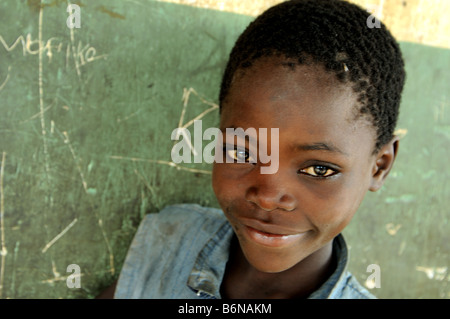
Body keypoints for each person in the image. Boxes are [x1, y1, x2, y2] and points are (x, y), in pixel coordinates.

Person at [99, 0, 405, 299]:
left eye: (319, 169)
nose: (269, 197)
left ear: (379, 166)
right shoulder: (169, 242)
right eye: (242, 153)